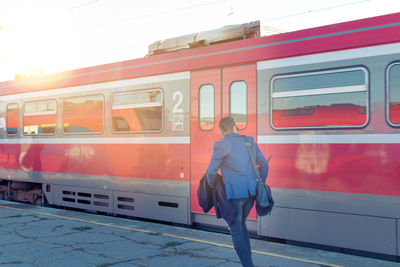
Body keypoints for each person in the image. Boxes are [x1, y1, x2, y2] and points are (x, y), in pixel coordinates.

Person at [206, 116, 269, 267]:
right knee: (241, 225)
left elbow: (211, 173)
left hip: (234, 195)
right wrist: (260, 183)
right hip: (251, 194)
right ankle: (249, 262)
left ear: (221, 130)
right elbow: (264, 165)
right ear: (235, 127)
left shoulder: (221, 145)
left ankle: (248, 265)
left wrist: (213, 187)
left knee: (235, 230)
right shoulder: (249, 141)